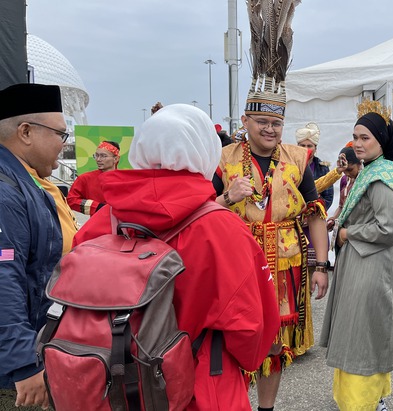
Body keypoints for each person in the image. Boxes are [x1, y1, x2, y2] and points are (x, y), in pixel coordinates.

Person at [72, 104, 279, 410]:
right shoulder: (222, 228)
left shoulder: (106, 220)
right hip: (200, 383)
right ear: (206, 153)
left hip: (116, 380)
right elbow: (252, 328)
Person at [214, 4, 327, 409]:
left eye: (276, 123)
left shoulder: (298, 159)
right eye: (261, 121)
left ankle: (266, 408)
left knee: (276, 346)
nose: (269, 129)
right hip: (238, 265)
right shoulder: (225, 160)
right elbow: (202, 213)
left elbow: (314, 214)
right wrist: (229, 197)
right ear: (245, 120)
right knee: (236, 337)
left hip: (287, 265)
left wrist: (321, 266)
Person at [320, 100, 393, 411]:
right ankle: (364, 398)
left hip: (369, 268)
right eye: (355, 136)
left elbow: (388, 227)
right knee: (360, 332)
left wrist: (346, 233)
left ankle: (360, 402)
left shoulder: (380, 176)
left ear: (381, 140)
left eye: (365, 137)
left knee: (361, 333)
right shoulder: (373, 170)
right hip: (361, 263)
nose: (357, 143)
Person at [0, 83, 65, 409]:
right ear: (25, 131)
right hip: (12, 372)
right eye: (59, 134)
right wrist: (23, 364)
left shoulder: (26, 182)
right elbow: (3, 277)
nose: (62, 144)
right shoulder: (5, 190)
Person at [66, 140, 120, 215]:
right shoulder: (85, 179)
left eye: (103, 156)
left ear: (116, 159)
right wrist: (96, 207)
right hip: (97, 223)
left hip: (124, 223)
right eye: (96, 155)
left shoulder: (125, 179)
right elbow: (71, 200)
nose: (98, 159)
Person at [296, 122, 334, 210]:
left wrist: (314, 211)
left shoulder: (323, 168)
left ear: (315, 148)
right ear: (297, 147)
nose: (306, 149)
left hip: (315, 214)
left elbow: (328, 197)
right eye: (302, 145)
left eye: (309, 146)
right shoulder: (290, 166)